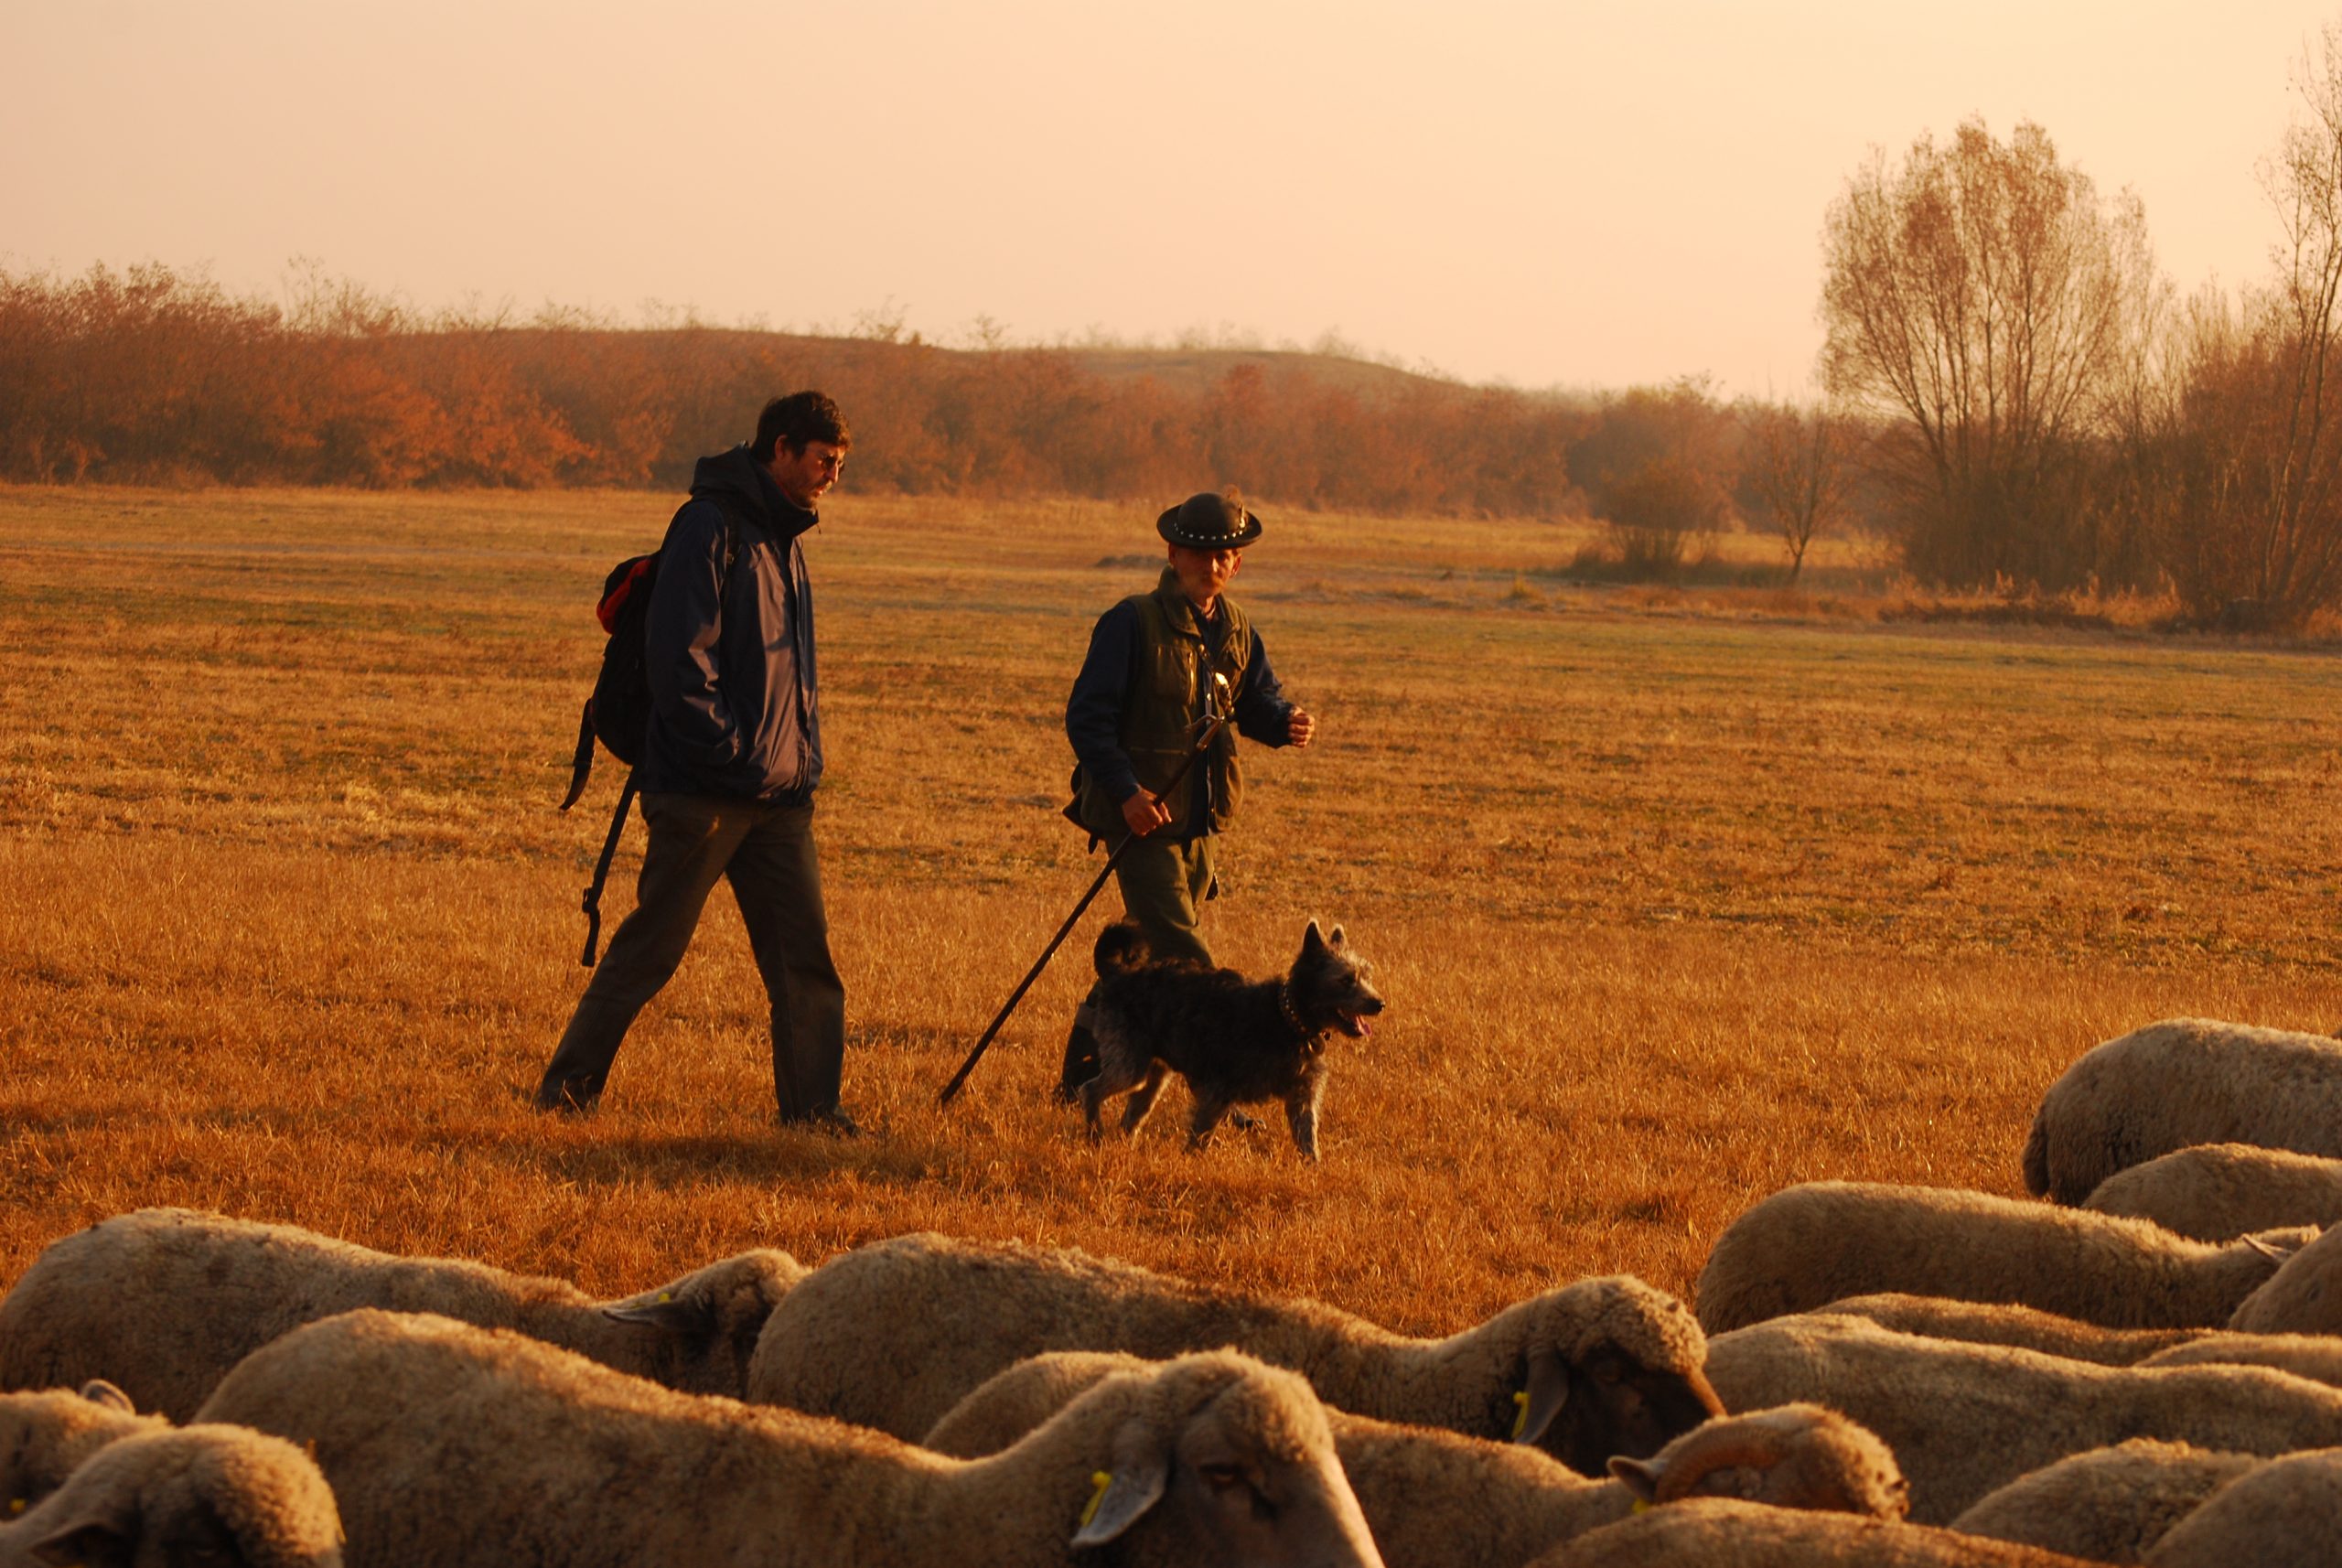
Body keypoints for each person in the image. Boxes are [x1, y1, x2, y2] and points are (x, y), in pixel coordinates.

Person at [535, 392, 861, 1134]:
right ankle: (564, 1094)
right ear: (780, 448)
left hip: (780, 799)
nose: (831, 477)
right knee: (651, 950)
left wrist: (797, 764)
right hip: (702, 792)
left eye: (839, 465)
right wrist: (730, 752)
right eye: (823, 461)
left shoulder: (786, 537)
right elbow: (681, 659)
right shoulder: (708, 525)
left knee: (804, 964)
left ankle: (814, 1113)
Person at [1056, 489, 1316, 1097]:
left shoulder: (1237, 629)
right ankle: (1222, 1083)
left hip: (1200, 822)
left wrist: (1285, 722)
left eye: (1225, 554)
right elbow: (1087, 719)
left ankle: (1081, 1074)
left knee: (1143, 964)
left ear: (1238, 563)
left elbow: (1254, 704)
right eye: (1200, 552)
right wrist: (1126, 793)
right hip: (1139, 819)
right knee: (1192, 961)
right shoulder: (1130, 621)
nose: (1212, 564)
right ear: (1172, 553)